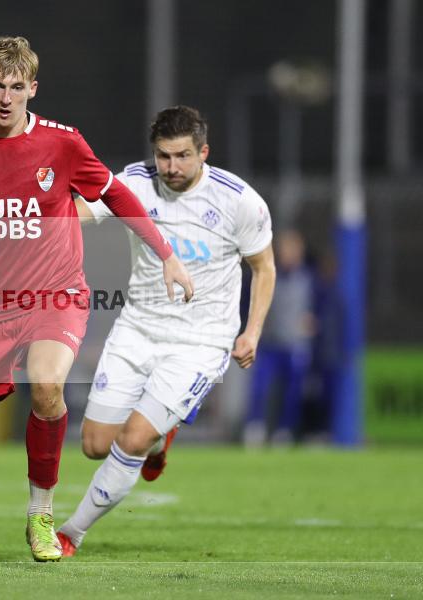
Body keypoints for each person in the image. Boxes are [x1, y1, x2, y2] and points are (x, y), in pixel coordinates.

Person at [0, 36, 193, 563]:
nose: (7, 98)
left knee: (48, 385)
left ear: (33, 88)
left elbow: (115, 194)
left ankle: (41, 517)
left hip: (55, 295)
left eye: (16, 87)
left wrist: (166, 253)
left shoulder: (62, 143)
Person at [58, 105, 276, 557]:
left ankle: (71, 533)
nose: (171, 167)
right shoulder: (134, 182)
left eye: (182, 156)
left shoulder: (239, 201)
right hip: (137, 329)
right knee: (95, 445)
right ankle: (160, 441)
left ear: (203, 153)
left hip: (201, 341)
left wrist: (252, 331)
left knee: (132, 439)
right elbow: (79, 213)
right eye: (163, 156)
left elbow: (264, 267)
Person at [242, 229, 315, 446]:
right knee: (260, 387)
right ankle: (255, 427)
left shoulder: (309, 279)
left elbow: (319, 308)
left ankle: (284, 431)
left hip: (295, 344)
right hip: (269, 342)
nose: (287, 254)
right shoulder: (268, 274)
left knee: (292, 392)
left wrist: (313, 321)